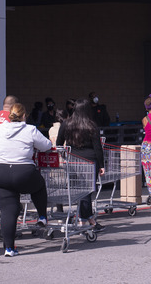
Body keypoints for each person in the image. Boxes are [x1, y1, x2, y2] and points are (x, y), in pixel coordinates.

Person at [0, 103, 53, 257]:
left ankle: (9, 249)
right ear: (24, 116)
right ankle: (42, 216)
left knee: (8, 212)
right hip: (23, 171)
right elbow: (46, 146)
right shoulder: (30, 129)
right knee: (39, 186)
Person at [56, 99, 106, 232]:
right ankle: (86, 220)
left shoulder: (66, 124)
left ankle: (88, 219)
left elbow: (59, 143)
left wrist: (65, 156)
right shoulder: (91, 125)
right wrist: (102, 165)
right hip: (90, 161)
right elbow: (97, 147)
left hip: (73, 160)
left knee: (80, 191)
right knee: (87, 191)